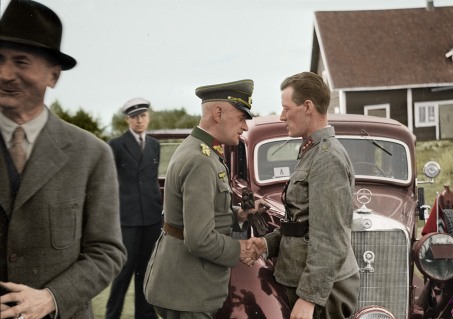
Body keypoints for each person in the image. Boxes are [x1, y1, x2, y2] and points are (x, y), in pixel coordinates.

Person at [0, 0, 126, 318]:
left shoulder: (91, 154)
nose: (5, 74)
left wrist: (51, 298)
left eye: (21, 62)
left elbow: (107, 252)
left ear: (53, 76)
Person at [248, 72, 360, 319]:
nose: (281, 116)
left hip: (322, 293)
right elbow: (303, 226)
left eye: (286, 108)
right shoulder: (313, 151)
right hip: (306, 281)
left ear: (307, 107)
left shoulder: (328, 158)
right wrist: (268, 243)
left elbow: (330, 238)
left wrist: (309, 298)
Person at [144, 79, 259, 319]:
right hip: (188, 290)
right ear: (218, 113)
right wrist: (240, 249)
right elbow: (199, 239)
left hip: (184, 285)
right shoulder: (200, 160)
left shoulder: (201, 150)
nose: (245, 127)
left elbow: (200, 214)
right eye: (241, 117)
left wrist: (238, 215)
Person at [106, 98, 162, 319]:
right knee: (122, 273)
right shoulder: (116, 145)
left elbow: (150, 181)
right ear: (128, 119)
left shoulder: (154, 145)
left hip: (150, 218)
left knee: (147, 272)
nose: (140, 121)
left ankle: (145, 316)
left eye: (143, 115)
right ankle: (112, 315)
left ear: (148, 117)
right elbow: (109, 182)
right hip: (127, 219)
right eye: (135, 117)